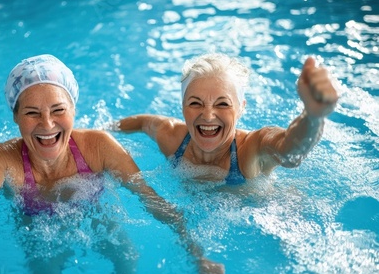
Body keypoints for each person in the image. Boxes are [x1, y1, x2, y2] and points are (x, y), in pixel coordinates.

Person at [0, 54, 224, 274]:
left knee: (127, 261)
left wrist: (198, 255)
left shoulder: (98, 146)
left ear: (74, 110)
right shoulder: (3, 157)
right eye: (32, 113)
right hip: (37, 228)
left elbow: (152, 201)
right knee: (45, 273)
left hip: (96, 214)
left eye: (58, 110)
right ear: (16, 116)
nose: (47, 124)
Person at [116, 53, 339, 184]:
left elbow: (289, 151)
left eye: (222, 103)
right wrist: (106, 129)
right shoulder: (171, 136)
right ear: (182, 107)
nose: (208, 115)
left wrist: (313, 117)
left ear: (241, 108)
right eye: (195, 103)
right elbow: (144, 122)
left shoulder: (250, 149)